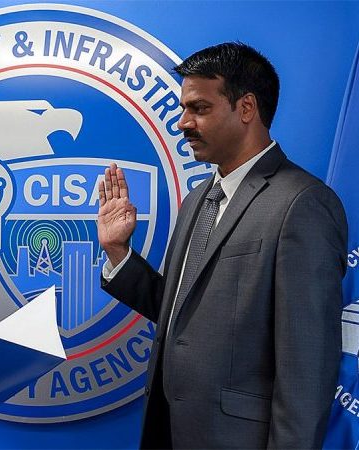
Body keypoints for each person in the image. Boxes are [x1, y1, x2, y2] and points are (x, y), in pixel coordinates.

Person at [98, 42, 348, 449]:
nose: (183, 122)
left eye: (199, 108)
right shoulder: (198, 199)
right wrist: (118, 253)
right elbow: (183, 314)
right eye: (184, 108)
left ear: (246, 108)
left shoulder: (303, 204)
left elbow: (308, 365)